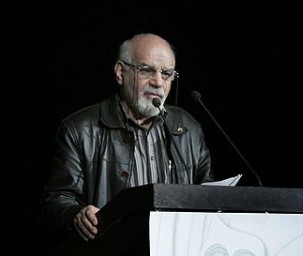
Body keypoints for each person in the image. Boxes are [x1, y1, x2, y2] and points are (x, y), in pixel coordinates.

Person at [39, 32, 213, 241]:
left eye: (166, 73)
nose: (158, 82)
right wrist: (78, 214)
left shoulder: (187, 128)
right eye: (146, 70)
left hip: (176, 250)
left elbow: (208, 194)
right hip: (110, 252)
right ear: (121, 73)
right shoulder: (80, 129)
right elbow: (57, 199)